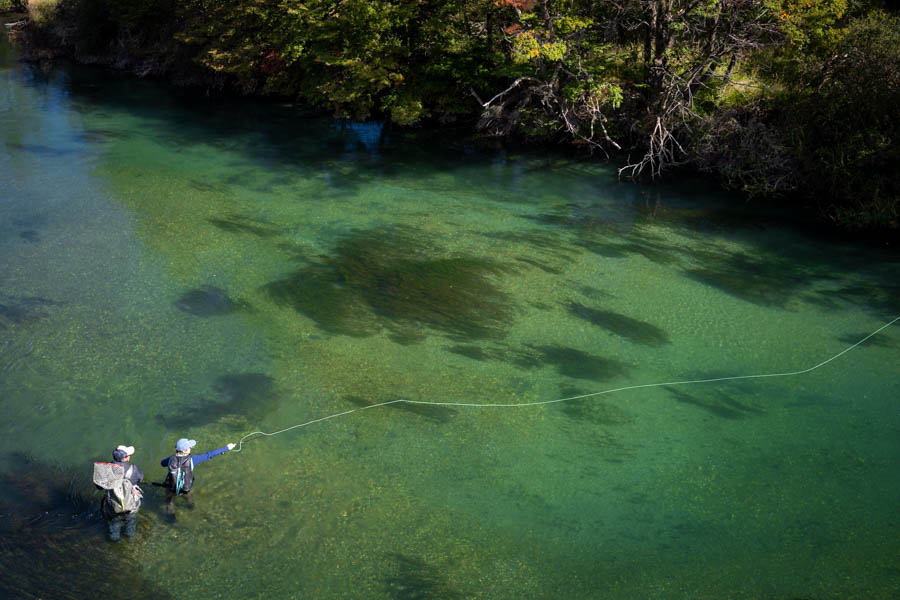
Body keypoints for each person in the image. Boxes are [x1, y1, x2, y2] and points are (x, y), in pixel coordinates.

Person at [160, 438, 235, 520]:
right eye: (189, 447)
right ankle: (191, 508)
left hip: (171, 487)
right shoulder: (193, 460)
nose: (191, 448)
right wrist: (226, 448)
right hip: (186, 488)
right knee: (189, 497)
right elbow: (209, 455)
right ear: (185, 451)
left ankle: (171, 520)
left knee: (170, 502)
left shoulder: (170, 459)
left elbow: (162, 463)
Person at [99, 445, 144, 542]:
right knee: (131, 521)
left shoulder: (106, 469)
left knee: (114, 523)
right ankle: (129, 537)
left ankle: (115, 541)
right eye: (128, 455)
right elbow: (141, 478)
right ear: (125, 458)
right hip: (131, 505)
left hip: (113, 506)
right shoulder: (134, 469)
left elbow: (99, 486)